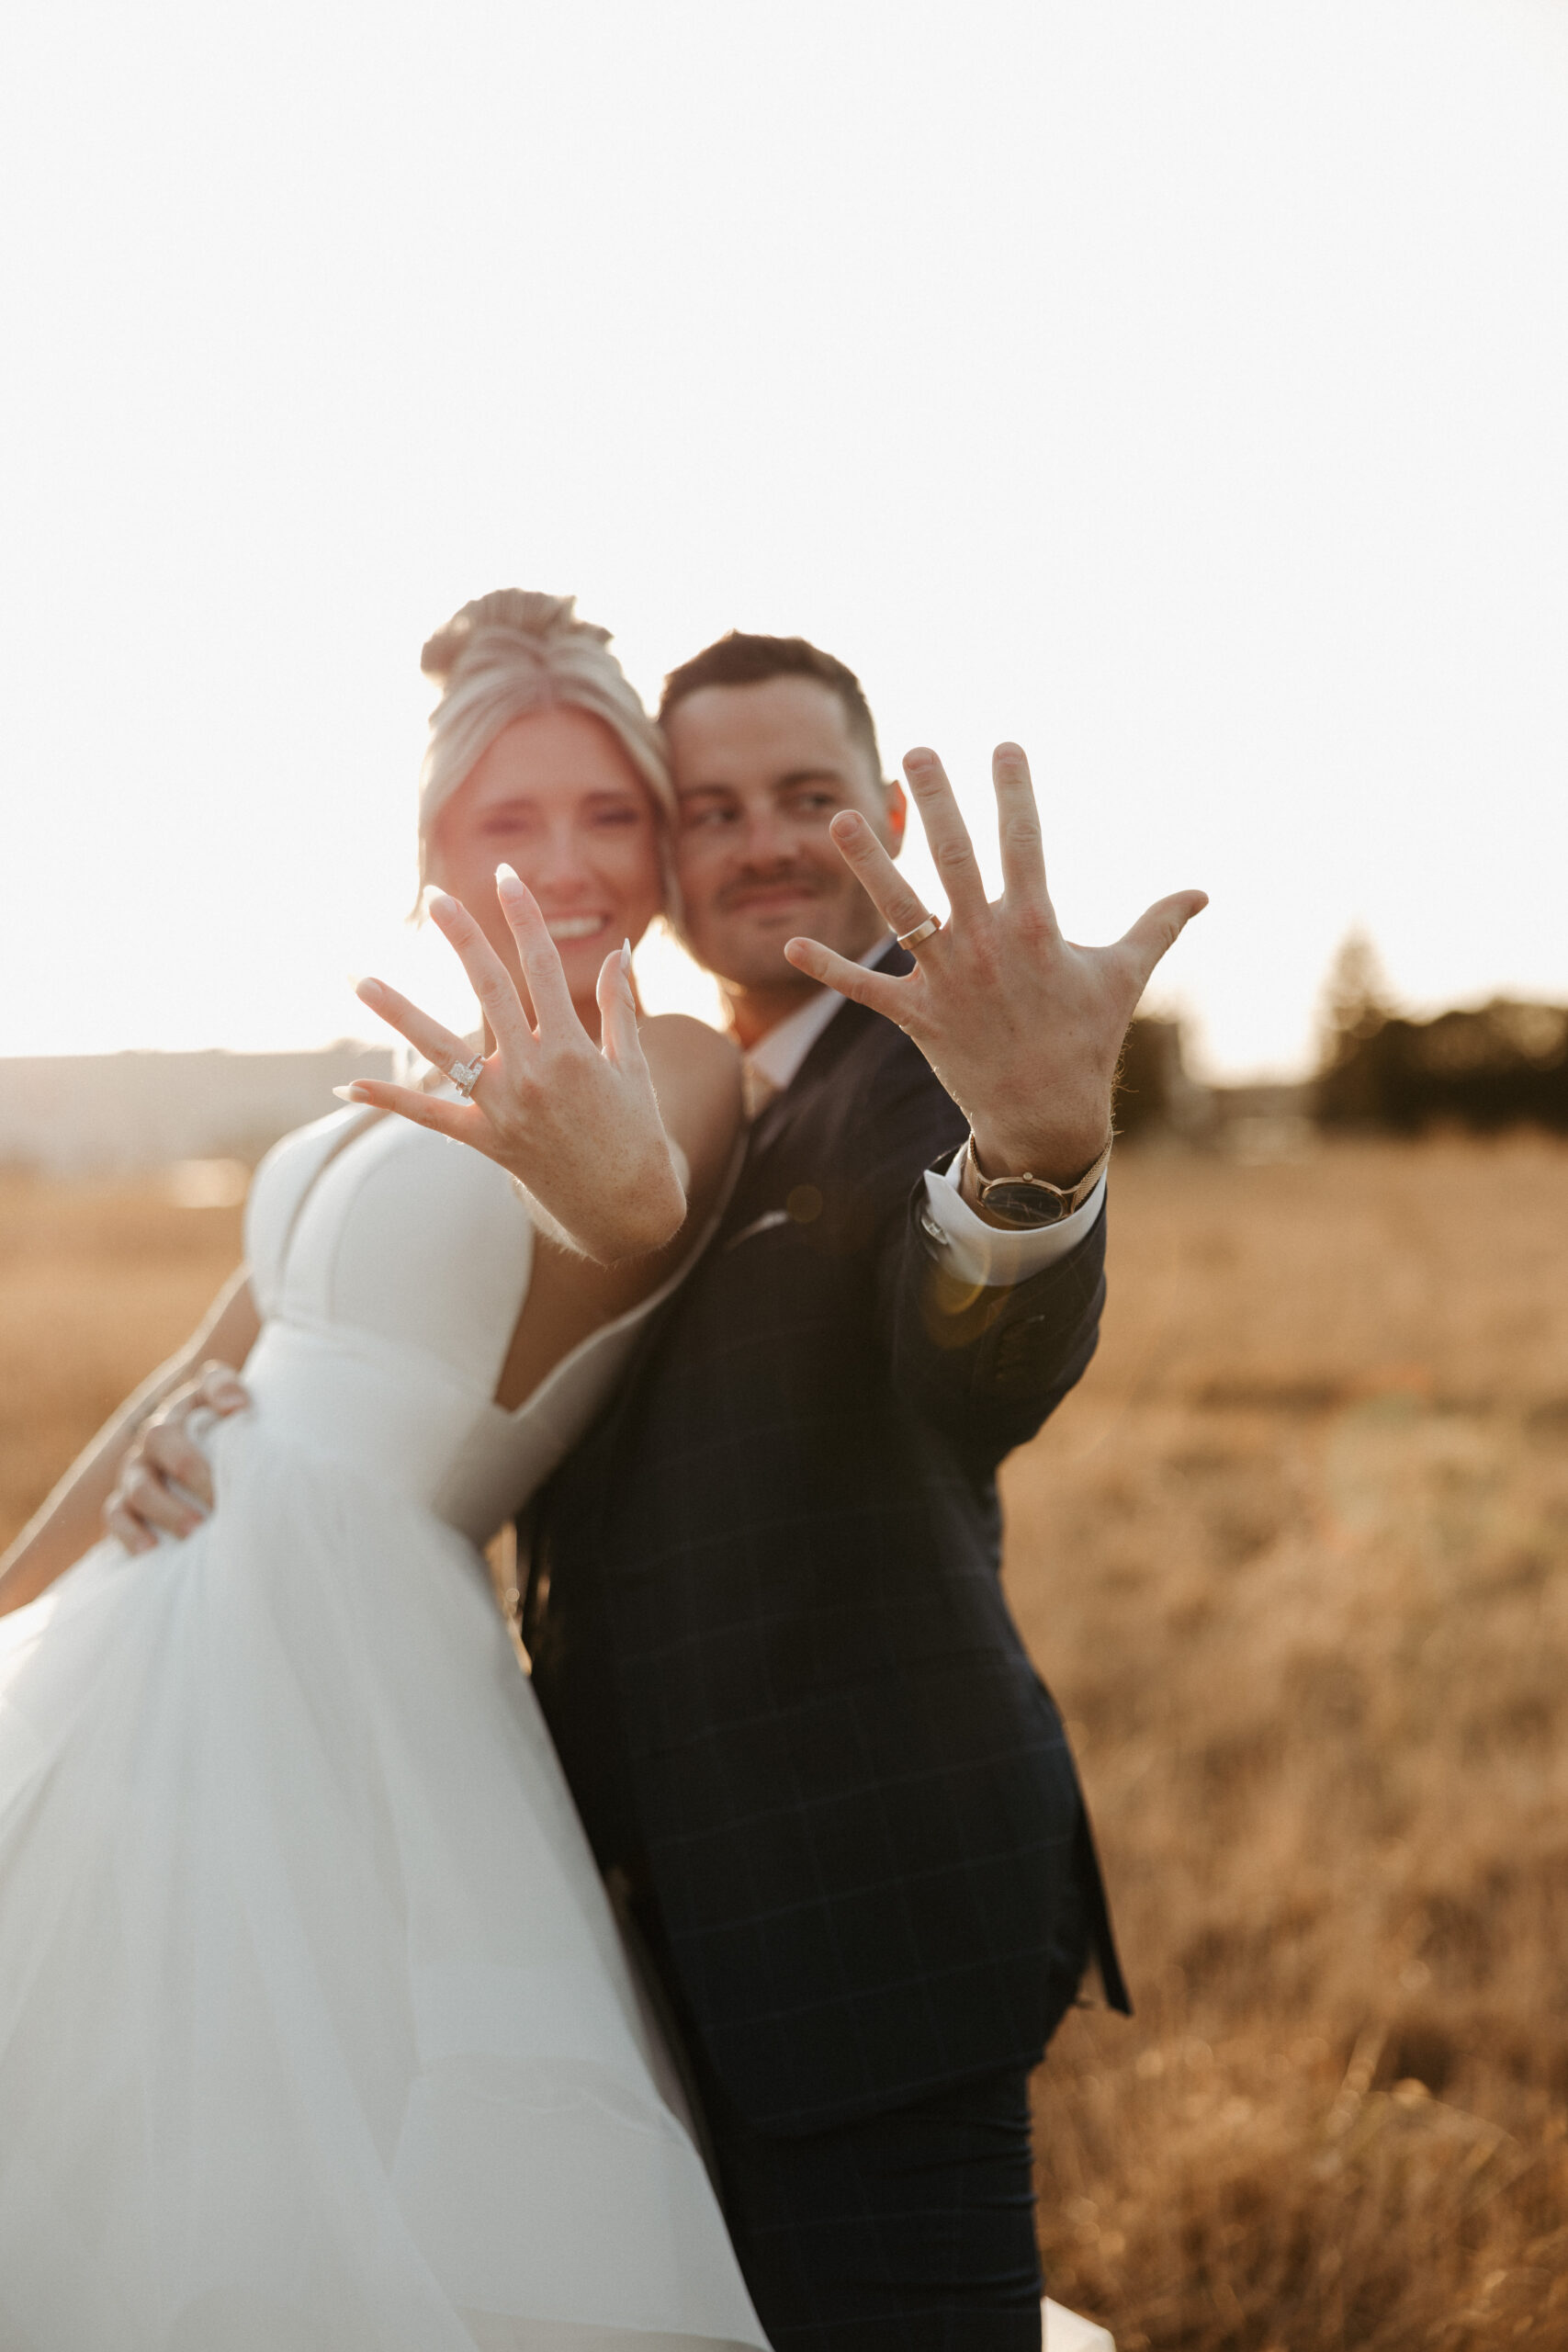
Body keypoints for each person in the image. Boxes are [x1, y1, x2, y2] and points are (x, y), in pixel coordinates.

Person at [119, 624, 1206, 2349]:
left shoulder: (917, 1085)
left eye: (810, 794)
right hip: (597, 1898)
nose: (761, 836)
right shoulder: (664, 1087)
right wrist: (228, 1429)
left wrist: (1034, 1163)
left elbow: (975, 1375)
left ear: (881, 818)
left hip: (855, 1919)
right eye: (710, 805)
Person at [0, 593, 771, 2351]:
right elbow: (191, 1372)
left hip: (346, 1662)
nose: (571, 864)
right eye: (513, 820)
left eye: (611, 815)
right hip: (163, 1617)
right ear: (436, 847)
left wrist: (597, 1166)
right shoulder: (396, 1080)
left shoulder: (672, 1065)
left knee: (321, 2174)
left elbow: (629, 1211)